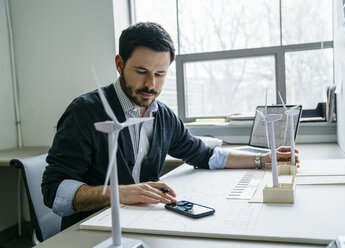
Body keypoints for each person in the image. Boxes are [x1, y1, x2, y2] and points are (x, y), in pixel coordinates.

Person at [42, 22, 299, 230]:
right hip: (92, 232)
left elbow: (205, 154)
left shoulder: (163, 115)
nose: (151, 85)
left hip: (140, 225)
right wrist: (121, 193)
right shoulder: (84, 112)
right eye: (141, 71)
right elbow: (54, 192)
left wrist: (262, 160)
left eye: (160, 74)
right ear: (120, 64)